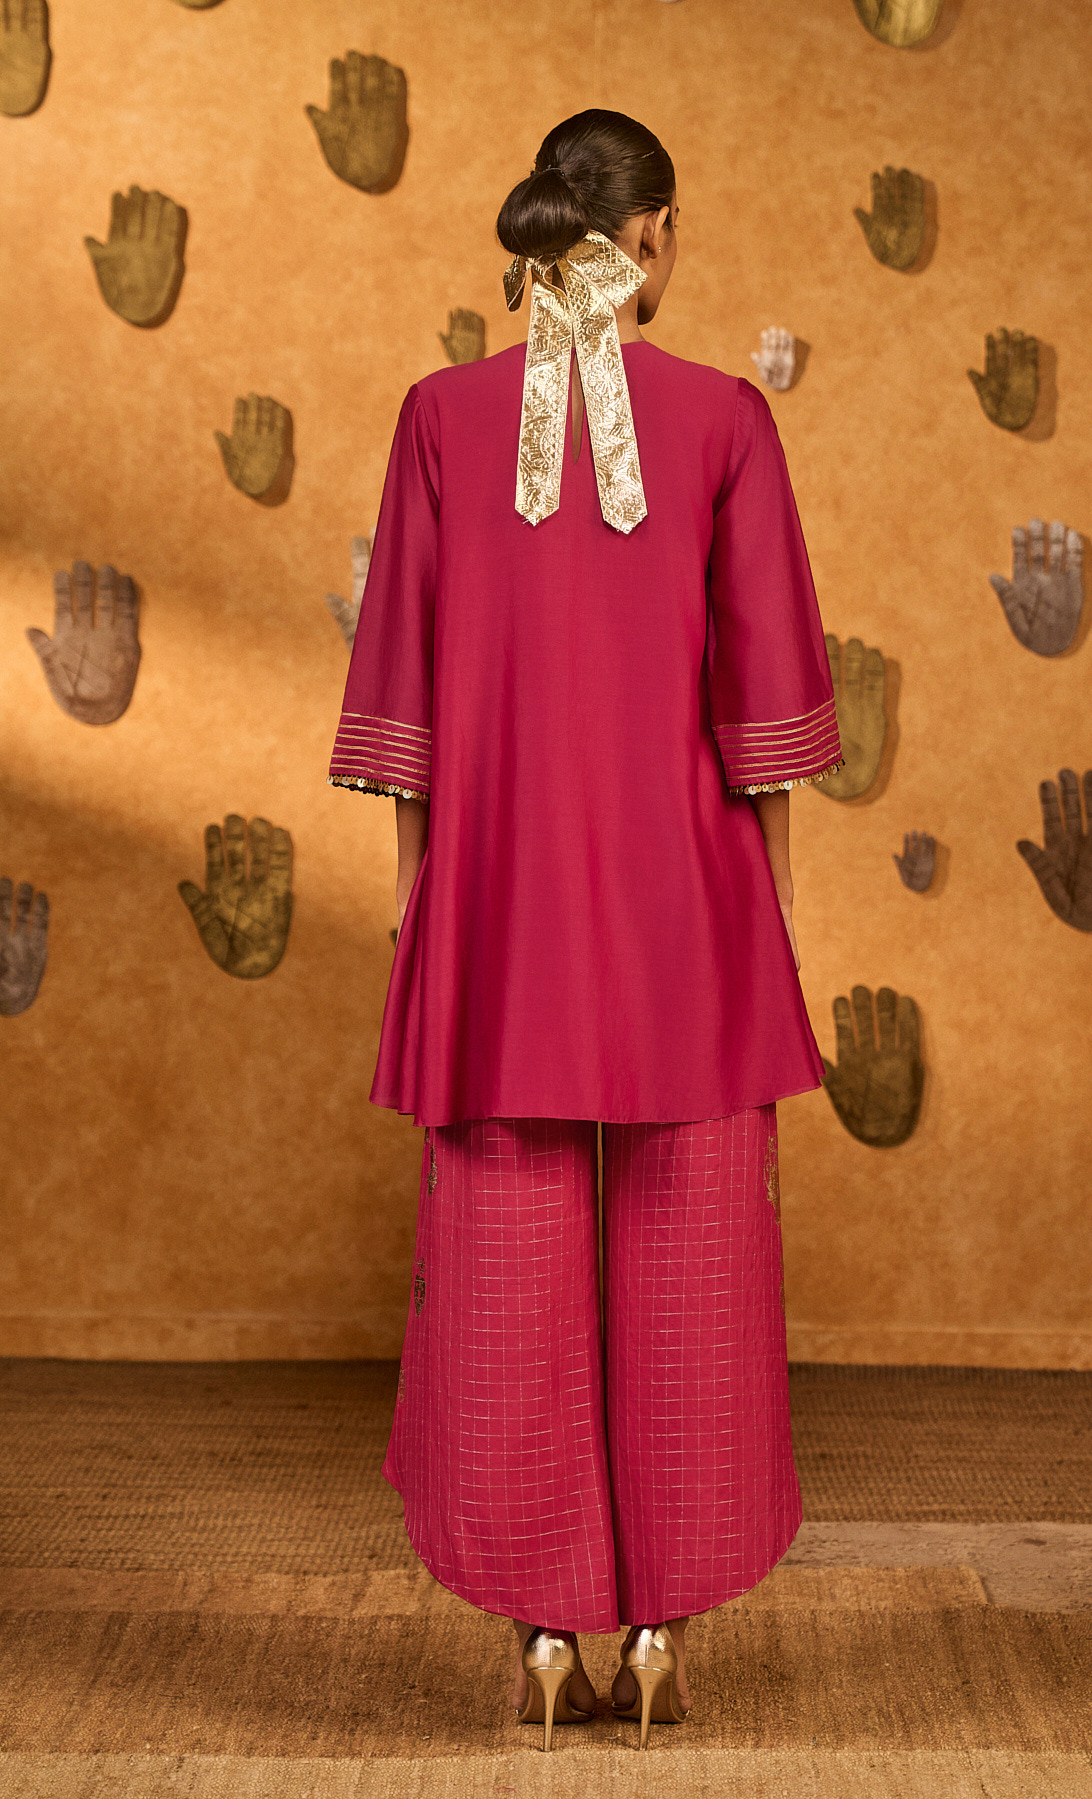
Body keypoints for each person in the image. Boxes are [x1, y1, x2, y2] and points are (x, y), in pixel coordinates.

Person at [328, 108, 842, 1752]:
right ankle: (665, 1623)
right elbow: (764, 709)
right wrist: (773, 910)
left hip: (497, 903)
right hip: (685, 902)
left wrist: (421, 897)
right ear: (658, 237)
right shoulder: (725, 420)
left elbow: (404, 685)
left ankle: (550, 1630)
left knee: (501, 1263)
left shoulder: (437, 418)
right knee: (700, 1267)